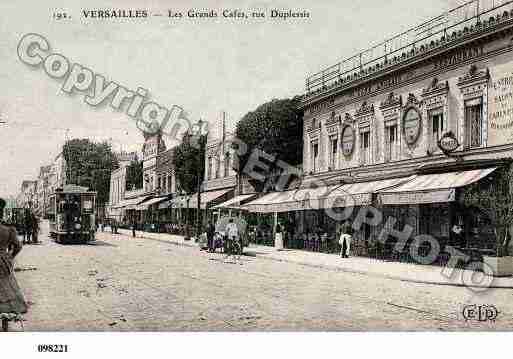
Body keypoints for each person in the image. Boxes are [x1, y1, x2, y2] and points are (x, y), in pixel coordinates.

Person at [0, 198, 28, 331]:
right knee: (6, 290)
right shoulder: (8, 230)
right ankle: (5, 326)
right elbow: (18, 246)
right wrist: (10, 257)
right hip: (4, 263)